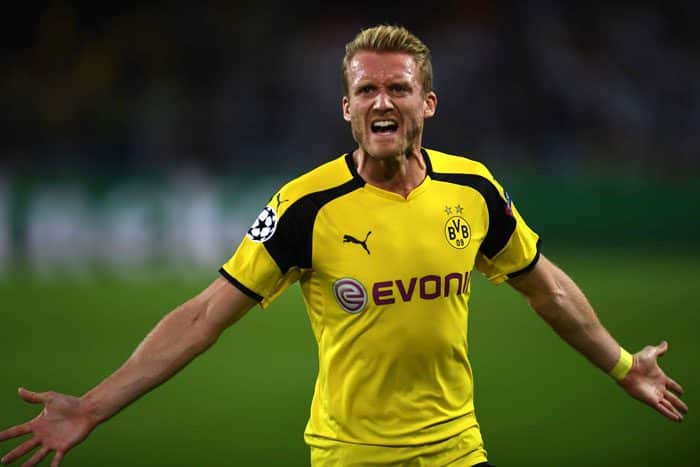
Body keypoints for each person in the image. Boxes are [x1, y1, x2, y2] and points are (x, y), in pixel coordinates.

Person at [0, 24, 688, 467]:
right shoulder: (305, 205)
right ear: (346, 108)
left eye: (398, 88)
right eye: (366, 90)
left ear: (428, 104)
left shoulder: (473, 189)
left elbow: (544, 283)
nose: (382, 102)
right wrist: (92, 405)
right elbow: (204, 315)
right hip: (350, 456)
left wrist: (622, 363)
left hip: (458, 450)